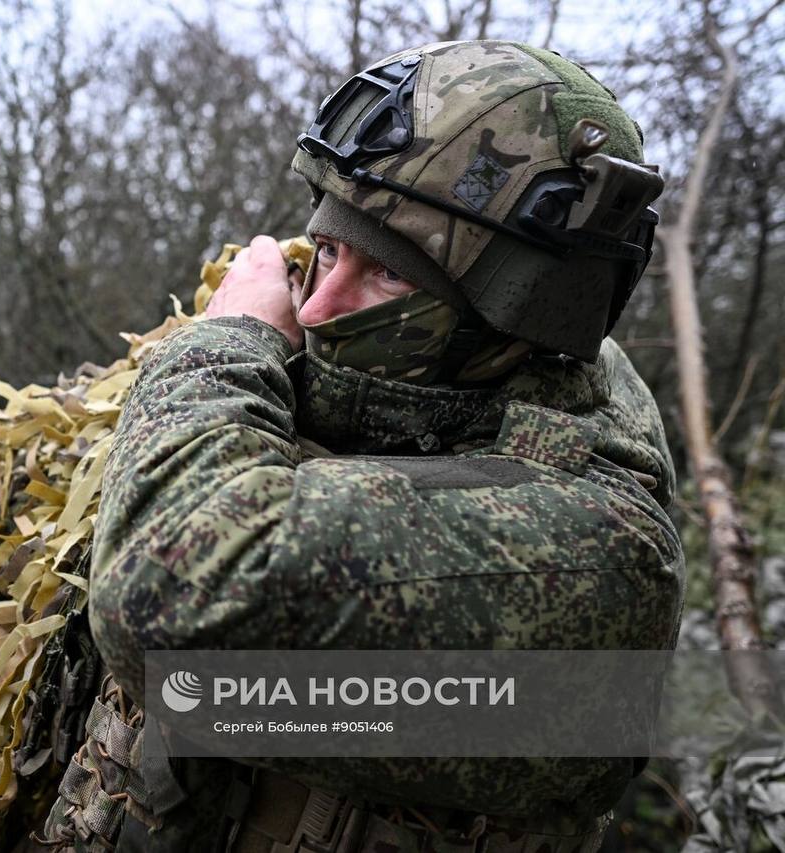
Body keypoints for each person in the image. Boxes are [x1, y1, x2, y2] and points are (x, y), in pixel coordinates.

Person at [41, 40, 682, 851]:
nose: (314, 311)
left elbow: (164, 610)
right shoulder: (432, 385)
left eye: (389, 276)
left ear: (517, 313)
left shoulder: (596, 553)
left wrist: (227, 345)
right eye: (331, 249)